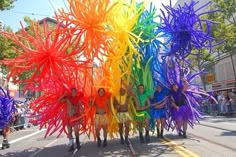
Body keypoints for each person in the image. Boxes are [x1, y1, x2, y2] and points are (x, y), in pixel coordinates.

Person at [58, 87, 83, 151]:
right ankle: (71, 145)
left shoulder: (78, 99)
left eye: (75, 91)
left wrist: (82, 117)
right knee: (69, 132)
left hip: (75, 117)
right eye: (72, 91)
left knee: (76, 130)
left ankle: (77, 142)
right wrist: (64, 95)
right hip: (68, 117)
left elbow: (81, 107)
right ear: (71, 92)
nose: (73, 92)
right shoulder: (67, 99)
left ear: (76, 92)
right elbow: (59, 101)